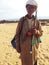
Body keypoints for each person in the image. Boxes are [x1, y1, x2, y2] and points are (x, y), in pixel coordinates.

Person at [15, 0, 43, 65]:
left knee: (34, 62)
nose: (30, 9)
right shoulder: (22, 20)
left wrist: (37, 32)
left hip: (34, 48)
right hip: (24, 48)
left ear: (35, 9)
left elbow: (41, 33)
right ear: (26, 8)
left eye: (33, 7)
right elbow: (17, 34)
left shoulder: (37, 21)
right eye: (29, 7)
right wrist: (18, 46)